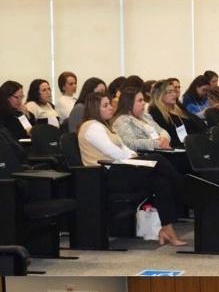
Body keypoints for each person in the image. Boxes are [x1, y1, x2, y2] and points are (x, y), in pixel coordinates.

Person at [78, 92, 187, 246]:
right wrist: (136, 160)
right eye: (105, 105)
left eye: (109, 104)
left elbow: (124, 148)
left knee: (161, 182)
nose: (110, 108)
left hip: (120, 168)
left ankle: (167, 229)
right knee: (157, 160)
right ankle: (185, 189)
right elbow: (113, 152)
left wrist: (134, 157)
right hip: (104, 176)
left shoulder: (105, 126)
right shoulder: (91, 127)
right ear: (95, 109)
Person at [112, 87, 172, 151]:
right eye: (140, 100)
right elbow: (129, 143)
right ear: (129, 104)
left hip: (161, 149)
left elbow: (162, 131)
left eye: (143, 100)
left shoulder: (146, 116)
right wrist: (156, 143)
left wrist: (164, 138)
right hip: (145, 155)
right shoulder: (122, 120)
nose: (144, 103)